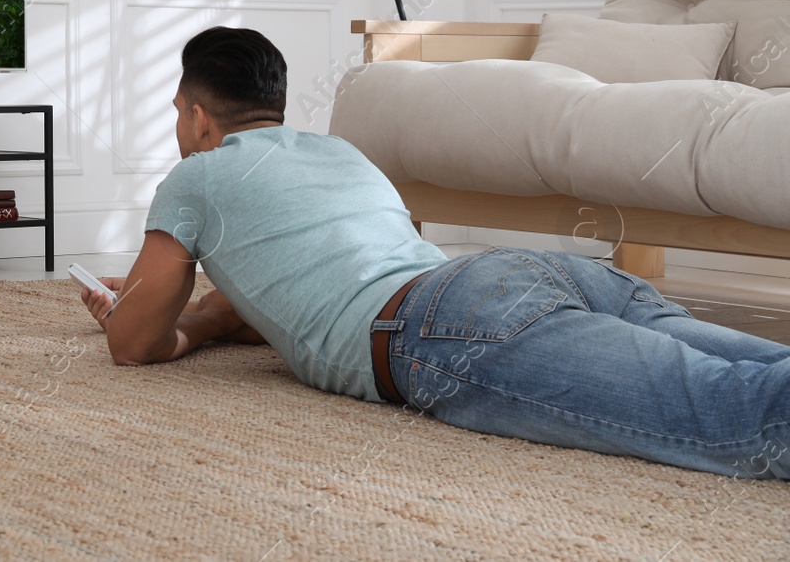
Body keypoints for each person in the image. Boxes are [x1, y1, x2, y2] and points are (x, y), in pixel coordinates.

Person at [78, 25, 790, 480]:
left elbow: (134, 343)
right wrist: (199, 318)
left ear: (198, 115)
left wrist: (131, 307)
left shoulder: (196, 176)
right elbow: (268, 300)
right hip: (530, 274)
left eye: (177, 112)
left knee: (738, 414)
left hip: (446, 326)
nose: (178, 126)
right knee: (763, 373)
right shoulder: (337, 153)